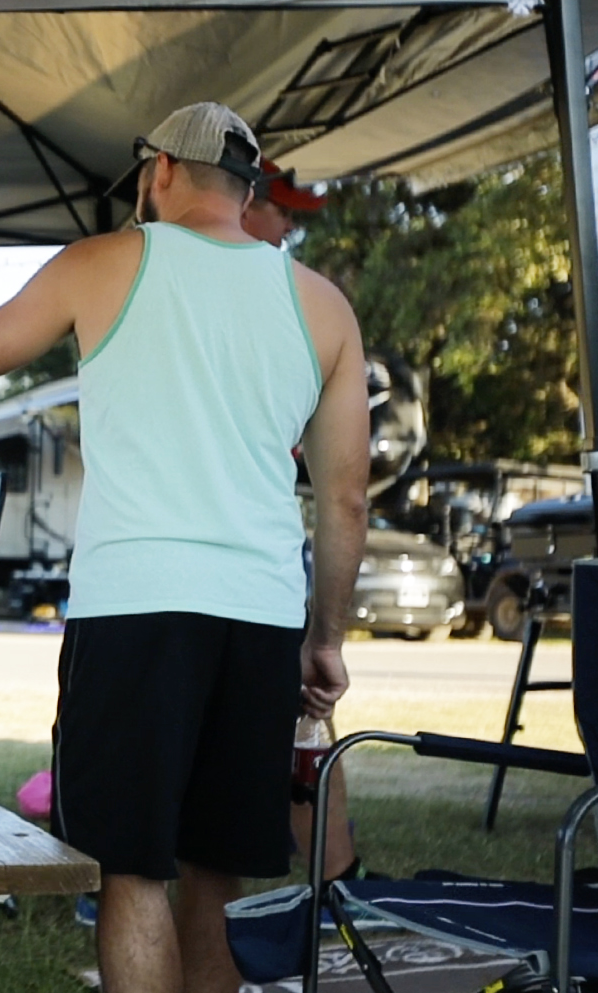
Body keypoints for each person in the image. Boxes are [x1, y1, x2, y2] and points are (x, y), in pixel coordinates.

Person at [0, 102, 371, 993]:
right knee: (216, 875)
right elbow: (344, 498)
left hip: (136, 608)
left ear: (160, 170)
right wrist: (326, 637)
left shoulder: (106, 259)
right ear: (247, 184)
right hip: (260, 611)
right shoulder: (320, 303)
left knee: (131, 869)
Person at [244, 160, 383, 887]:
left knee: (303, 718)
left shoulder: (293, 299)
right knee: (296, 715)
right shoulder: (293, 302)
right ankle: (337, 878)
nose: (292, 227)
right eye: (283, 211)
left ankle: (339, 875)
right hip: (246, 564)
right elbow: (345, 496)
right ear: (243, 202)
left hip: (251, 555)